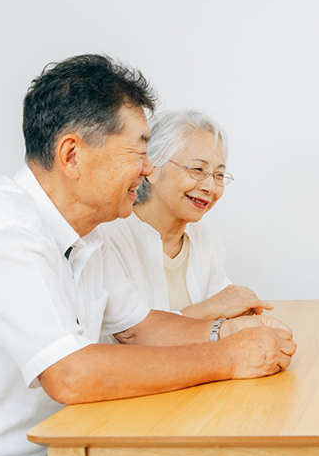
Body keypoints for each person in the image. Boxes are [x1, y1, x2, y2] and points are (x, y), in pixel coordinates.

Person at [0, 54, 297, 456]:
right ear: (72, 155)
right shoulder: (2, 232)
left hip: (71, 443)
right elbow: (70, 375)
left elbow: (139, 329)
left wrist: (227, 331)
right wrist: (229, 357)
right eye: (139, 152)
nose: (148, 169)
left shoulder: (89, 234)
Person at [96, 109, 269, 327]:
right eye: (198, 169)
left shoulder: (206, 242)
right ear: (151, 169)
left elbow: (225, 313)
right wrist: (210, 309)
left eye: (218, 175)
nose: (210, 187)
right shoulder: (107, 239)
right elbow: (130, 334)